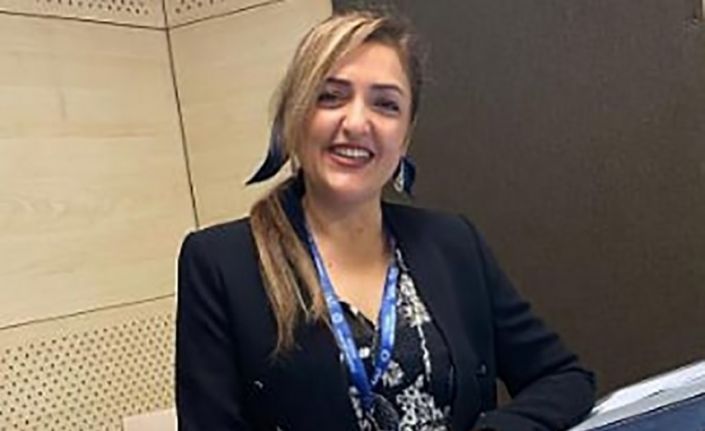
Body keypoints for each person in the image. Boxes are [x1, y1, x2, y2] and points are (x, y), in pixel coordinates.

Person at [176, 10, 595, 431]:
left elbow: (564, 378)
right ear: (295, 116)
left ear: (405, 136)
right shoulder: (221, 264)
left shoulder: (453, 243)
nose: (357, 123)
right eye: (331, 96)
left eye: (386, 105)